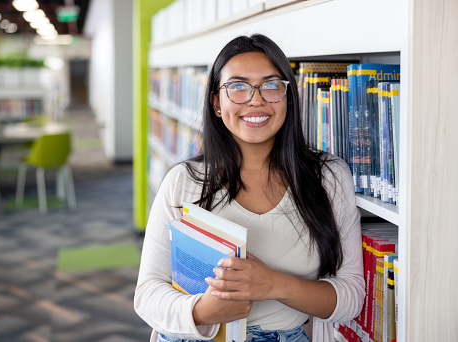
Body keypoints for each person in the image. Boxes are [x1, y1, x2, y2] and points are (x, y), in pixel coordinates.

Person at [134, 34, 365, 342]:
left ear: (288, 97)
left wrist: (273, 284)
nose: (256, 99)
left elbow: (351, 296)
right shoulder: (185, 181)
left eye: (271, 85)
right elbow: (147, 295)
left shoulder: (329, 178)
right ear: (217, 103)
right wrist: (203, 311)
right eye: (238, 86)